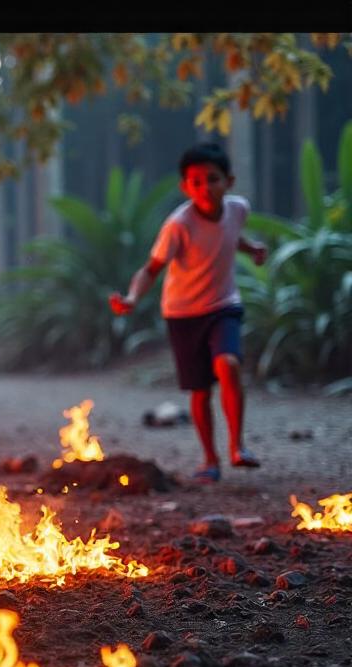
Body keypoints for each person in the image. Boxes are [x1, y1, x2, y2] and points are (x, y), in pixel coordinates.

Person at [110, 142, 267, 484]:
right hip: (182, 313)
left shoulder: (238, 209)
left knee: (228, 364)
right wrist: (132, 298)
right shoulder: (178, 225)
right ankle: (210, 459)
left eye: (212, 179)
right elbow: (151, 269)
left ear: (229, 181)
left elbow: (230, 236)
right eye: (196, 182)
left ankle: (237, 446)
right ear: (185, 187)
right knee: (200, 390)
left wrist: (251, 248)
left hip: (224, 305)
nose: (204, 188)